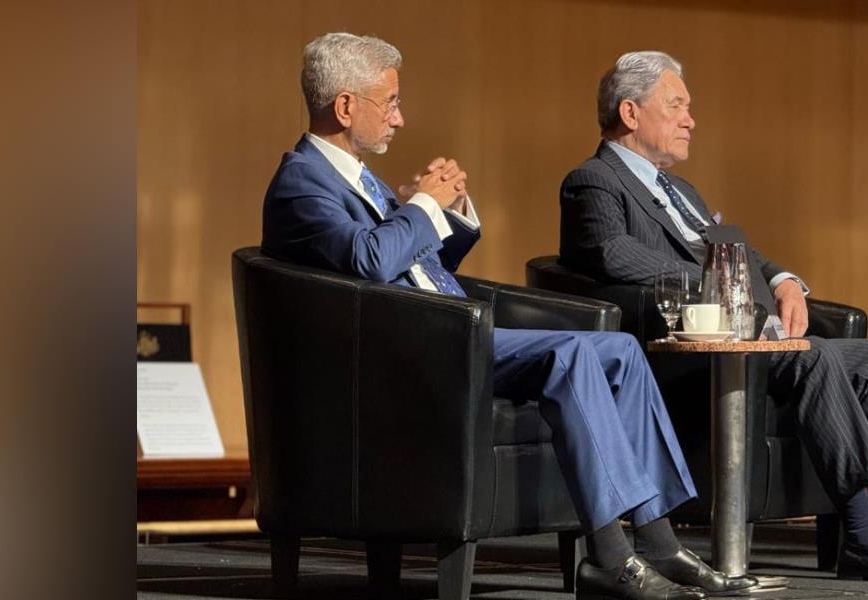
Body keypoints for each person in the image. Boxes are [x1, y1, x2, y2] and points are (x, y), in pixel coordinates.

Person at [261, 33, 756, 600]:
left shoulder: (357, 175)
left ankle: (660, 540)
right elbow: (369, 262)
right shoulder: (302, 181)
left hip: (442, 326)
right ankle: (610, 557)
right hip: (413, 348)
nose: (400, 118)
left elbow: (411, 266)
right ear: (346, 106)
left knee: (619, 347)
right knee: (570, 355)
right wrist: (421, 206)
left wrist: (446, 212)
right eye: (390, 102)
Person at [558, 51, 868, 582]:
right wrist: (715, 274)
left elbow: (741, 251)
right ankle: (865, 537)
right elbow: (612, 254)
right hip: (674, 359)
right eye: (676, 105)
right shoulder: (593, 180)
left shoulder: (681, 191)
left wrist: (783, 279)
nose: (690, 119)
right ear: (630, 113)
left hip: (745, 346)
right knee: (813, 358)